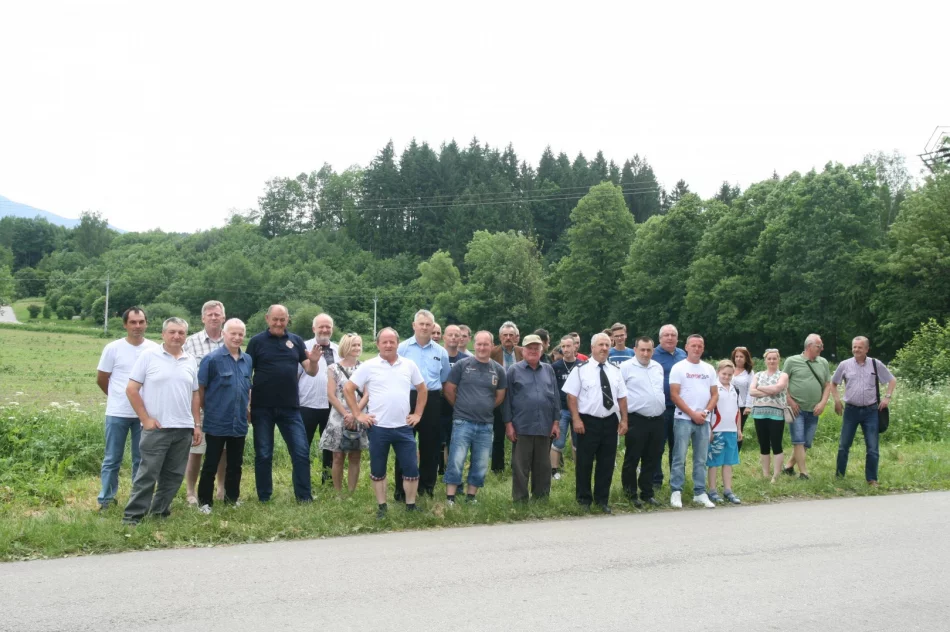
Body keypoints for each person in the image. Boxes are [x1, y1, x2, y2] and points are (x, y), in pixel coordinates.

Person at [122, 317, 201, 526]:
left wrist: (196, 424)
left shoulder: (190, 360)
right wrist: (145, 419)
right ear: (163, 334)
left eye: (181, 333)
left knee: (174, 476)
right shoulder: (149, 356)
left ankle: (159, 512)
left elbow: (195, 395)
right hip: (157, 428)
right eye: (172, 332)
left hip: (183, 429)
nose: (177, 336)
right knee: (147, 474)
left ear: (186, 336)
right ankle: (133, 517)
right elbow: (131, 389)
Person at [345, 327, 427, 519]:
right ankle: (382, 507)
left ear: (398, 344)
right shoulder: (369, 366)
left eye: (392, 342)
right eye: (385, 342)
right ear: (378, 344)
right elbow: (349, 389)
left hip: (404, 427)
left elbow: (422, 390)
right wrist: (358, 414)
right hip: (378, 427)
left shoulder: (408, 365)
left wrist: (418, 414)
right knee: (378, 469)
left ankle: (411, 505)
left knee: (411, 468)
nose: (388, 345)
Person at [245, 304, 323, 503]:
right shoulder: (256, 342)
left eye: (283, 319)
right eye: (275, 319)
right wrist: (247, 403)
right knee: (263, 453)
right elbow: (246, 375)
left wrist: (313, 361)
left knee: (301, 452)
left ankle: (304, 496)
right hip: (262, 407)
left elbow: (311, 371)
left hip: (290, 407)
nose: (279, 323)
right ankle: (264, 496)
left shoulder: (295, 341)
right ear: (267, 318)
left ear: (288, 319)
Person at [95, 306, 159, 511]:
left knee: (141, 459)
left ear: (146, 323)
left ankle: (138, 499)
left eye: (141, 322)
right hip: (117, 412)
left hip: (144, 414)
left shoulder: (154, 349)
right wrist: (116, 397)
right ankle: (106, 499)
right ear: (125, 324)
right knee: (112, 458)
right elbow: (102, 379)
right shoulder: (113, 348)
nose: (137, 326)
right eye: (133, 322)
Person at [563, 332, 628, 513]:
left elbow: (622, 397)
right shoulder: (580, 369)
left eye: (607, 345)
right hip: (587, 422)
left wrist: (624, 420)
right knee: (584, 462)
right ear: (592, 348)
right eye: (601, 345)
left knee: (606, 463)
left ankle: (602, 500)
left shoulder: (615, 371)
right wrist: (576, 419)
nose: (604, 348)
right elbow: (571, 396)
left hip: (610, 422)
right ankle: (584, 500)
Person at [443, 331, 506, 504]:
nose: (482, 347)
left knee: (481, 462)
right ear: (474, 345)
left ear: (492, 346)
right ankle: (451, 497)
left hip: (486, 424)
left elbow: (500, 395)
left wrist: (485, 407)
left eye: (486, 344)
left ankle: (471, 496)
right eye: (479, 344)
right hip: (463, 421)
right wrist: (461, 406)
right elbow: (449, 389)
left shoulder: (498, 369)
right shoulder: (463, 365)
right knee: (456, 459)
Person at [196, 318, 252, 513]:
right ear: (224, 335)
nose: (237, 337)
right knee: (211, 463)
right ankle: (204, 502)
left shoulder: (247, 360)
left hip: (239, 422)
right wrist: (211, 410)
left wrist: (248, 409)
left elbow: (246, 388)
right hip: (217, 421)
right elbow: (201, 390)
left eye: (240, 334)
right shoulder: (211, 360)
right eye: (233, 334)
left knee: (235, 464)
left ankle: (231, 498)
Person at [396, 309, 450, 499]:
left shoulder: (440, 352)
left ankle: (427, 488)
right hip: (406, 398)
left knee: (431, 446)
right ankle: (401, 490)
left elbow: (445, 379)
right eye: (421, 324)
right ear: (414, 326)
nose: (425, 327)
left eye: (428, 324)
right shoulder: (402, 348)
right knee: (404, 444)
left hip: (432, 400)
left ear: (433, 327)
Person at [831, 336, 896, 486]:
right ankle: (839, 477)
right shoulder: (844, 365)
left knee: (872, 447)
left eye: (860, 347)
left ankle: (871, 479)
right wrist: (837, 400)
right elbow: (833, 383)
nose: (856, 350)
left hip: (871, 411)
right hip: (851, 411)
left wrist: (887, 398)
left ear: (867, 349)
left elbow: (892, 380)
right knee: (843, 445)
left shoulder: (875, 364)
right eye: (854, 347)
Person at [504, 334, 560, 503]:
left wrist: (556, 422)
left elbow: (555, 397)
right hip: (522, 426)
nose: (533, 351)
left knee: (543, 466)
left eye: (537, 348)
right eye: (530, 348)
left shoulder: (548, 369)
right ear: (523, 350)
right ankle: (520, 500)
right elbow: (507, 400)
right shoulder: (514, 370)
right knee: (521, 467)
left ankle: (541, 499)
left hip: (544, 424)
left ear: (542, 351)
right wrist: (508, 424)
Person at [183, 300, 226, 506]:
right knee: (196, 449)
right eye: (210, 314)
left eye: (217, 314)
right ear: (203, 318)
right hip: (197, 403)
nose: (214, 317)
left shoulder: (230, 339)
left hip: (223, 406)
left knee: (223, 450)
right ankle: (191, 491)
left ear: (223, 317)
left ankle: (221, 487)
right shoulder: (191, 342)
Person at [668, 334, 719, 509]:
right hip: (683, 419)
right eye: (693, 346)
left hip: (703, 420)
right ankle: (676, 491)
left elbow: (715, 394)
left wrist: (704, 412)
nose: (697, 349)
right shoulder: (678, 367)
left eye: (700, 346)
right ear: (687, 347)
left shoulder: (709, 369)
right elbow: (674, 394)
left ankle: (700, 492)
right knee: (679, 456)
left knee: (701, 459)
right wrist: (692, 413)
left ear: (703, 348)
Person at [619, 336, 666, 508]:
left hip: (657, 419)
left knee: (652, 457)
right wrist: (622, 419)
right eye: (642, 350)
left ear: (653, 350)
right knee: (633, 457)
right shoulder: (626, 368)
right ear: (635, 349)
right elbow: (620, 395)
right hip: (636, 419)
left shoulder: (657, 367)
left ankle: (647, 493)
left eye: (649, 350)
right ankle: (630, 494)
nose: (646, 353)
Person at [321, 333, 369, 492]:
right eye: (353, 345)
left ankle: (351, 492)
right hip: (338, 416)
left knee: (355, 456)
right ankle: (338, 492)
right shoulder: (333, 368)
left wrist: (355, 414)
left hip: (358, 415)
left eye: (359, 345)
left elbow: (367, 394)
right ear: (345, 346)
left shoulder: (365, 367)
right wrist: (346, 414)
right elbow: (331, 395)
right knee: (338, 456)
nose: (357, 348)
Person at [782, 334, 832, 480]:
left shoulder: (823, 362)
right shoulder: (792, 361)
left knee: (806, 443)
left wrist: (822, 403)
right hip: (796, 409)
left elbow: (827, 385)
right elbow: (784, 383)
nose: (822, 349)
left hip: (814, 410)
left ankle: (789, 466)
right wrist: (790, 401)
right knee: (798, 440)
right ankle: (804, 473)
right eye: (819, 346)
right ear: (809, 346)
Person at [298, 313, 340, 485]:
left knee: (330, 447)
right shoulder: (303, 348)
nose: (324, 330)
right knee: (302, 446)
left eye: (328, 327)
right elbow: (295, 376)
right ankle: (303, 482)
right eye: (321, 326)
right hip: (306, 404)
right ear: (314, 328)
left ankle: (328, 481)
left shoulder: (339, 350)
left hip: (332, 405)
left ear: (332, 329)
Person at [652, 324, 687, 487]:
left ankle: (677, 482)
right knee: (657, 447)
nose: (670, 338)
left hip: (681, 408)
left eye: (673, 335)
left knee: (678, 447)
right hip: (661, 408)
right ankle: (656, 481)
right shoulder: (653, 354)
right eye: (666, 335)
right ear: (660, 338)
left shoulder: (682, 354)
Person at [748, 349, 789, 482]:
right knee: (763, 444)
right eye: (769, 358)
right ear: (765, 360)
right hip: (759, 414)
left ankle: (776, 475)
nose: (772, 361)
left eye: (774, 358)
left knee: (776, 444)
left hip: (776, 414)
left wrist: (760, 388)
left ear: (779, 360)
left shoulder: (783, 375)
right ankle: (765, 474)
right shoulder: (758, 375)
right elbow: (751, 392)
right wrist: (769, 391)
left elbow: (778, 388)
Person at [706, 360, 742, 505]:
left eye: (729, 374)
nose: (726, 377)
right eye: (724, 374)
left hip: (731, 431)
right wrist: (709, 429)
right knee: (714, 462)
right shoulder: (714, 389)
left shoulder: (735, 389)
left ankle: (728, 490)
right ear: (718, 373)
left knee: (728, 462)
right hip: (717, 430)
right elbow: (708, 410)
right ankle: (712, 490)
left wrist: (739, 429)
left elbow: (738, 410)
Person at [490, 321, 524, 473]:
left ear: (516, 337)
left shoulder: (523, 352)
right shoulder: (492, 352)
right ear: (500, 337)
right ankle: (497, 468)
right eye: (505, 335)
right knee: (498, 434)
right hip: (498, 398)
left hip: (518, 399)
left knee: (519, 434)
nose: (508, 338)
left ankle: (517, 465)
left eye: (511, 335)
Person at [439, 324, 470, 474]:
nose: (453, 338)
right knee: (436, 440)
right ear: (444, 337)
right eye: (450, 335)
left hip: (457, 406)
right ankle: (436, 470)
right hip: (438, 405)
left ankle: (451, 471)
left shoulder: (466, 360)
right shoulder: (437, 355)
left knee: (455, 440)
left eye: (456, 335)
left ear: (461, 338)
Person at [550, 334, 580, 479]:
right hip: (561, 408)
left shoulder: (582, 365)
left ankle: (578, 469)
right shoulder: (555, 367)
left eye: (568, 346)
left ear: (575, 346)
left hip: (578, 410)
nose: (566, 349)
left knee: (578, 440)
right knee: (558, 440)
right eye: (563, 346)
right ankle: (554, 471)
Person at [730, 346, 755, 451]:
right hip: (727, 405)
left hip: (741, 407)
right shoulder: (729, 369)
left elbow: (751, 390)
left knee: (738, 430)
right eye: (737, 356)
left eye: (741, 356)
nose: (738, 359)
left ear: (746, 358)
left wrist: (748, 406)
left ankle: (736, 453)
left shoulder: (749, 373)